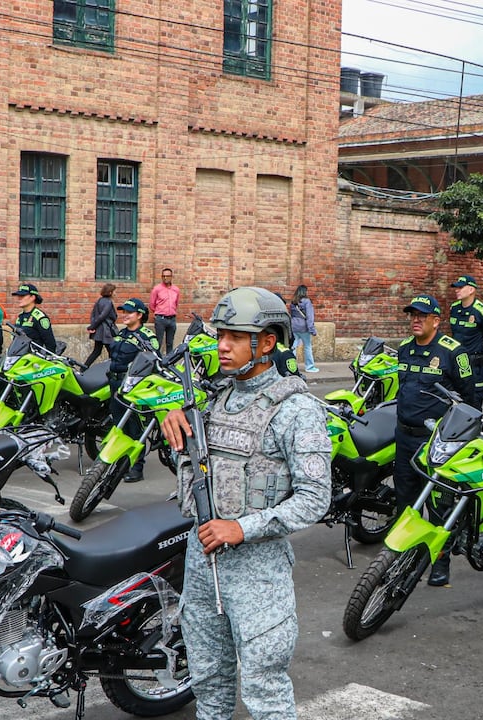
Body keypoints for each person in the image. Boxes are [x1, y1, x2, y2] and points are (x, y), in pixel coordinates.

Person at [159, 286, 331, 720]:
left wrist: (242, 528)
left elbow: (315, 499)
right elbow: (197, 469)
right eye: (220, 335)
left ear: (267, 342)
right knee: (208, 685)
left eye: (234, 337)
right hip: (201, 564)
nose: (222, 346)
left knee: (265, 692)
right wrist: (176, 418)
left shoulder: (296, 409)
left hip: (258, 573)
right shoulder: (213, 401)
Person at [394, 293, 478, 587]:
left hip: (436, 442)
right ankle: (404, 555)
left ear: (436, 320)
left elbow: (471, 397)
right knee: (404, 500)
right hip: (404, 436)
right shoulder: (404, 349)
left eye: (422, 315)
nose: (415, 320)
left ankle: (440, 562)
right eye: (412, 315)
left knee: (439, 504)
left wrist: (462, 435)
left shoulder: (453, 352)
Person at [108, 298, 158, 482]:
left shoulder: (146, 337)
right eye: (123, 312)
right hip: (115, 385)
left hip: (132, 388)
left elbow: (154, 362)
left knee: (135, 428)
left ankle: (137, 468)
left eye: (129, 312)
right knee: (119, 426)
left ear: (139, 315)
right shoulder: (121, 334)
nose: (125, 315)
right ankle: (120, 465)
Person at [448, 274, 483, 409]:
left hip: (474, 366)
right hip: (456, 364)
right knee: (454, 403)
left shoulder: (482, 312)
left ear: (471, 290)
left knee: (474, 405)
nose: (456, 290)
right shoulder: (454, 309)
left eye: (460, 287)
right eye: (456, 288)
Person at [10, 283, 56, 351]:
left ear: (32, 297)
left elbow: (50, 343)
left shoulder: (40, 317)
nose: (19, 298)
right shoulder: (20, 316)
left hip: (33, 358)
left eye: (22, 296)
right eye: (18, 296)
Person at [84, 283, 117, 368]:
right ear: (110, 292)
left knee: (97, 351)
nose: (115, 293)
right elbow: (103, 316)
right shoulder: (108, 302)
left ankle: (83, 368)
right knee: (112, 352)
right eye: (114, 292)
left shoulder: (99, 300)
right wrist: (92, 326)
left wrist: (93, 325)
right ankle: (113, 370)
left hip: (99, 330)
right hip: (105, 331)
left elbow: (93, 315)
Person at [150, 267, 181, 355]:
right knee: (158, 342)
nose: (165, 278)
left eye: (167, 276)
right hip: (161, 319)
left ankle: (169, 361)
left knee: (170, 343)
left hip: (172, 319)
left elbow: (176, 303)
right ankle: (157, 361)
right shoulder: (157, 289)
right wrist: (159, 313)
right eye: (163, 276)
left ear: (171, 277)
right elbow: (152, 305)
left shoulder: (176, 290)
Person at [289, 285, 319, 373]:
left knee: (293, 347)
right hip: (304, 328)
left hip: (293, 326)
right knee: (307, 347)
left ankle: (291, 367)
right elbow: (310, 317)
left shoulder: (293, 302)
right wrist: (312, 330)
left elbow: (292, 314)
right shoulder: (307, 301)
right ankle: (309, 367)